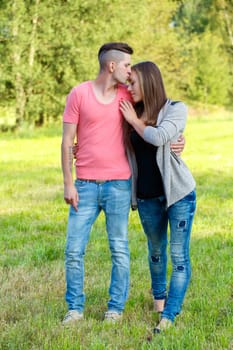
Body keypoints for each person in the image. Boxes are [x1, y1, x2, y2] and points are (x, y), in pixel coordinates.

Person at [61, 43, 185, 325]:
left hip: (119, 184)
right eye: (128, 65)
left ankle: (115, 308)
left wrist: (179, 138)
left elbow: (160, 113)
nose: (131, 71)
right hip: (85, 185)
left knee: (119, 248)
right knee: (73, 249)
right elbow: (67, 141)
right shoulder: (78, 94)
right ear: (111, 66)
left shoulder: (127, 96)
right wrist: (68, 183)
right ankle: (74, 309)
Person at [120, 61, 196, 333]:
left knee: (178, 256)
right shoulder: (130, 112)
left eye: (133, 82)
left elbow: (160, 136)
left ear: (149, 82)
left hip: (179, 196)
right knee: (155, 251)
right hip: (146, 197)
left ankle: (170, 315)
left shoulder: (176, 109)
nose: (129, 88)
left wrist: (134, 122)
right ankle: (159, 300)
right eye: (127, 83)